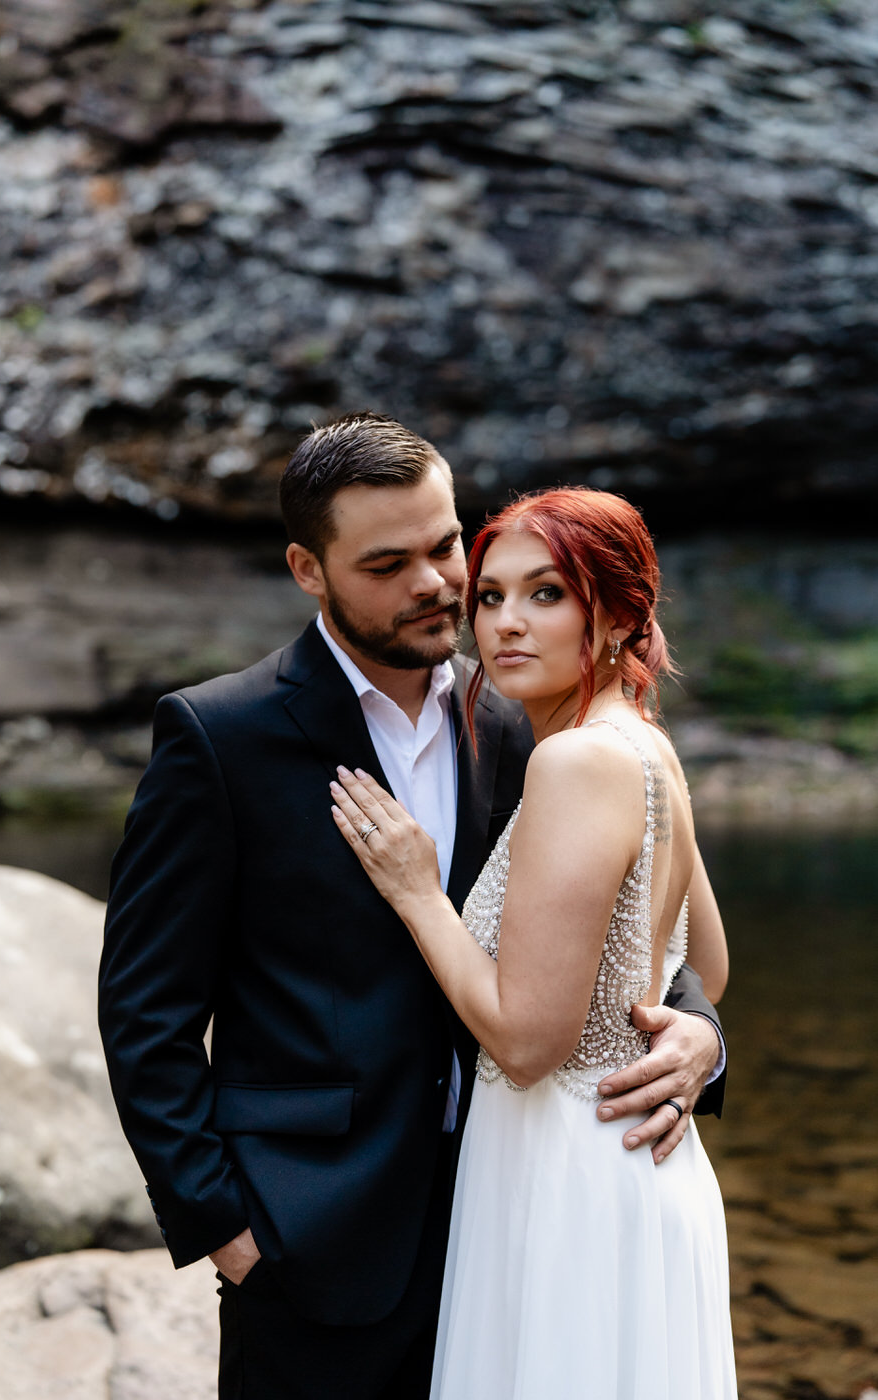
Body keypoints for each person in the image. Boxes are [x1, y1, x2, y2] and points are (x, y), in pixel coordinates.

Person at [98, 414, 727, 1400]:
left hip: (516, 1221)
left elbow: (628, 921)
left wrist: (699, 1033)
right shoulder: (221, 738)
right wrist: (224, 1227)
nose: (436, 583)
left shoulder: (524, 719)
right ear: (308, 569)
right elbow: (146, 1011)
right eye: (388, 564)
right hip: (313, 1247)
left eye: (444, 546)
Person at [331, 484, 738, 1400]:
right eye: (489, 596)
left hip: (566, 1177)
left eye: (545, 593)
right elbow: (704, 966)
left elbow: (523, 1046)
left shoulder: (573, 759)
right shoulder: (644, 744)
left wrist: (418, 894)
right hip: (633, 1164)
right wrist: (690, 1033)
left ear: (620, 615)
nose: (504, 622)